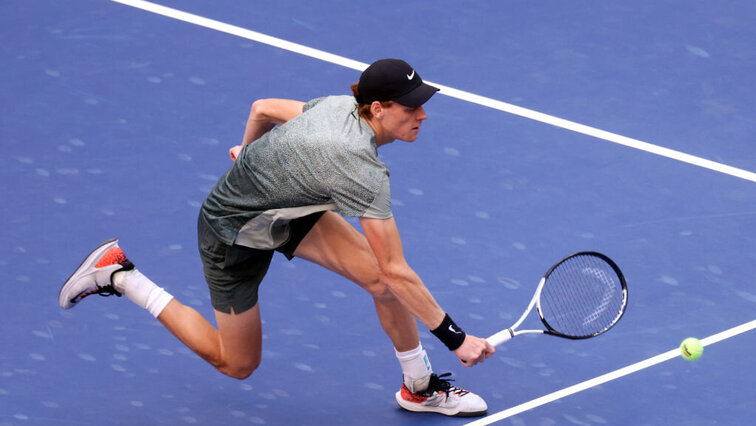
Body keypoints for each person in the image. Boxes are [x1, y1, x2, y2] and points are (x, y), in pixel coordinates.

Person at [59, 58, 495, 417]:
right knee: (237, 363)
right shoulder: (360, 168)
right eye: (410, 107)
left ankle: (418, 387)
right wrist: (457, 338)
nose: (422, 115)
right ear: (378, 109)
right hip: (231, 233)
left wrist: (246, 155)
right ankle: (119, 275)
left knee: (380, 285)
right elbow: (397, 269)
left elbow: (262, 108)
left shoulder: (339, 107)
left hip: (288, 211)